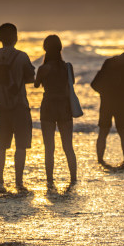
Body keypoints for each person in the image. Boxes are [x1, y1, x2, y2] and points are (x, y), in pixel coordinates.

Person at [0, 23, 35, 193]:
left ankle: (0, 182)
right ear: (16, 37)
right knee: (20, 146)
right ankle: (19, 182)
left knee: (0, 146)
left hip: (1, 107)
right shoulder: (21, 57)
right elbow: (31, 78)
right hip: (20, 105)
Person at [34, 34, 77, 189]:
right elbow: (71, 83)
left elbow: (36, 85)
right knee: (68, 146)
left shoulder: (43, 68)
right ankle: (73, 179)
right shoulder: (68, 67)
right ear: (60, 48)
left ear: (45, 49)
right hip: (64, 107)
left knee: (49, 147)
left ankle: (50, 180)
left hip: (48, 107)